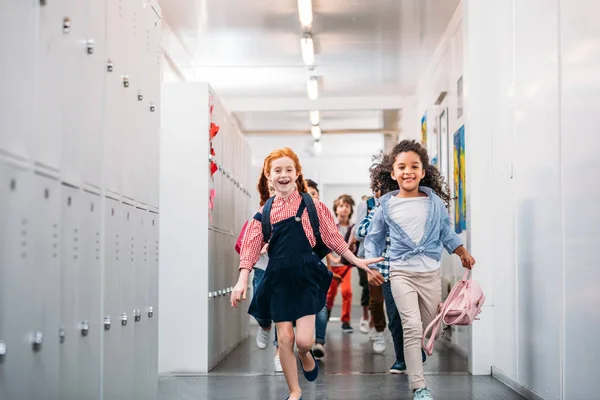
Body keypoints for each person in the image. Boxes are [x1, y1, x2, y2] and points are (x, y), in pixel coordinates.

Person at [231, 147, 383, 400]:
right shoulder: (263, 213)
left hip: (306, 279)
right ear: (268, 176)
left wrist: (356, 260)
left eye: (288, 169)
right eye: (277, 170)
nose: (283, 175)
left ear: (297, 173)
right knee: (285, 340)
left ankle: (306, 355)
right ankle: (294, 391)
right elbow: (249, 249)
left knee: (303, 342)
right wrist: (241, 281)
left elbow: (334, 238)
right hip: (278, 281)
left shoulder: (314, 206)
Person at [364, 140, 475, 400]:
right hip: (401, 273)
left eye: (414, 166)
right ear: (392, 173)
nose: (408, 171)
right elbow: (373, 239)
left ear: (423, 171)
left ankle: (418, 352)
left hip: (430, 274)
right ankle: (419, 386)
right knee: (411, 327)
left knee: (430, 325)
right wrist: (371, 266)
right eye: (401, 167)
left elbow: (446, 232)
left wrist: (461, 251)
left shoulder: (433, 203)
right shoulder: (386, 206)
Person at [356, 159, 427, 371]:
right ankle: (401, 358)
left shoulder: (414, 205)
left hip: (415, 269)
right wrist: (377, 211)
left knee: (414, 317)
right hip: (388, 272)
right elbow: (360, 232)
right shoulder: (378, 207)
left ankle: (415, 349)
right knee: (395, 318)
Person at [325, 194, 356, 333]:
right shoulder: (331, 226)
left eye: (347, 206)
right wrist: (332, 258)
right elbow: (325, 245)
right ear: (336, 209)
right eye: (341, 206)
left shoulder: (354, 228)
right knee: (330, 294)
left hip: (346, 267)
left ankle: (346, 321)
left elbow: (354, 249)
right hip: (332, 267)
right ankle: (326, 315)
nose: (344, 209)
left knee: (347, 292)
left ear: (350, 209)